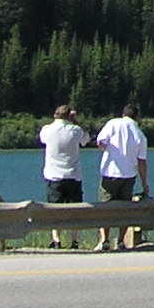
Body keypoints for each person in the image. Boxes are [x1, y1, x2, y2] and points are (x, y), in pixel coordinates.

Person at [92, 104, 151, 253]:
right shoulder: (140, 135)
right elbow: (142, 162)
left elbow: (100, 142)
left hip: (110, 173)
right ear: (137, 117)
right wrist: (144, 183)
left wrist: (107, 149)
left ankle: (104, 240)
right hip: (128, 175)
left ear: (123, 113)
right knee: (125, 208)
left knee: (105, 207)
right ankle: (120, 241)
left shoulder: (113, 123)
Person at [37, 105, 92, 249]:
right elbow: (86, 139)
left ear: (55, 115)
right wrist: (76, 121)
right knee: (75, 210)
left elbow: (42, 140)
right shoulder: (75, 130)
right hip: (73, 175)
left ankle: (56, 240)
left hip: (53, 176)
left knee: (54, 210)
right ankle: (74, 240)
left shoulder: (47, 130)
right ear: (69, 116)